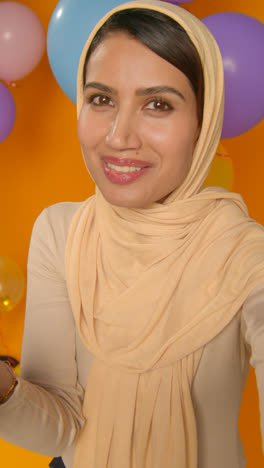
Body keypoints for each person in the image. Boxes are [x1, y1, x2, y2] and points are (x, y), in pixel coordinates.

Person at [0, 1, 264, 467]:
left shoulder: (246, 256)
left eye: (158, 104)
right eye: (101, 99)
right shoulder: (61, 232)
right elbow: (58, 427)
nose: (119, 136)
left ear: (203, 122)